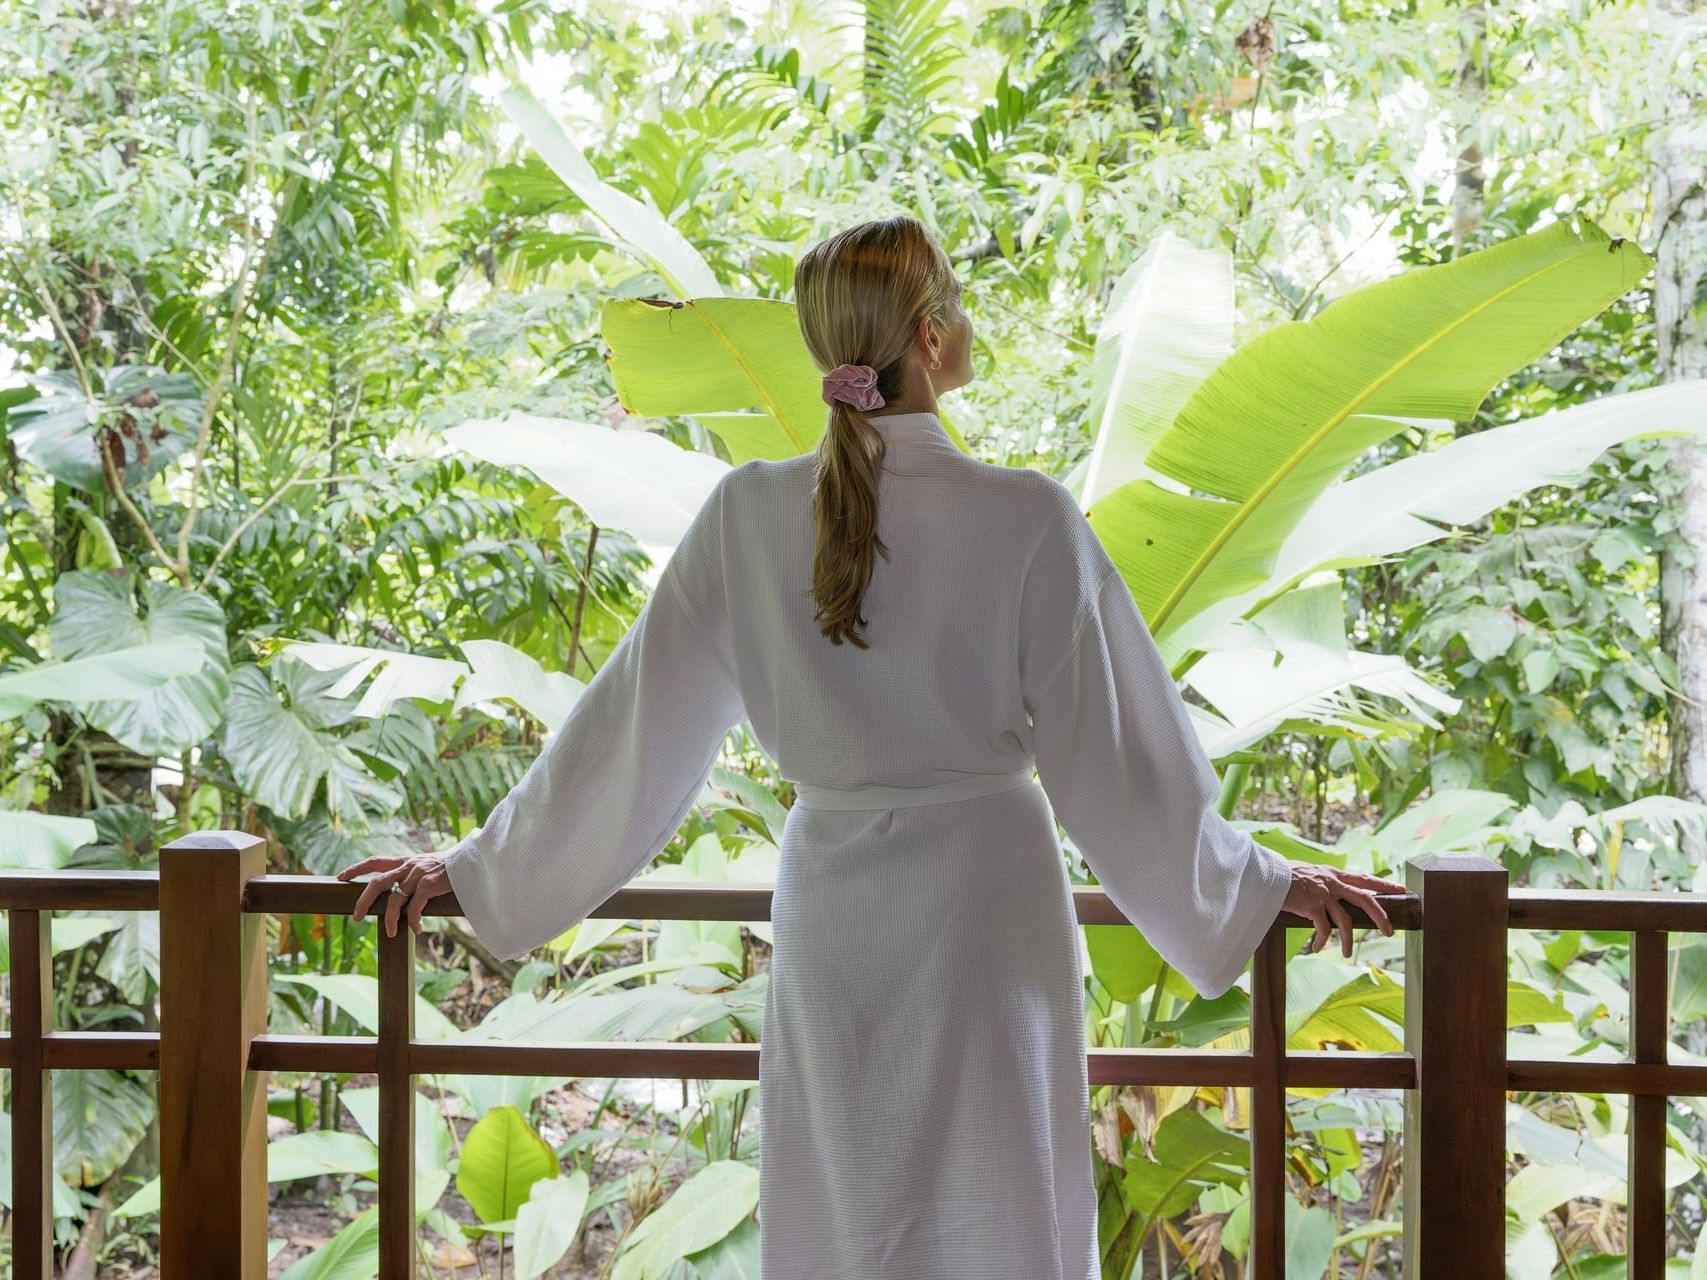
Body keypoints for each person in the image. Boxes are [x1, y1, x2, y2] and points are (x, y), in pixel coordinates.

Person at [338, 215, 1408, 1278]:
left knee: (847, 1212)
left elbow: (632, 728)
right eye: (958, 301)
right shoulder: (1025, 518)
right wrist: (1253, 884)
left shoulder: (745, 513)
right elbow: (1118, 763)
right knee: (1005, 1203)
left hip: (837, 923)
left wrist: (480, 871)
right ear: (933, 338)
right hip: (990, 921)